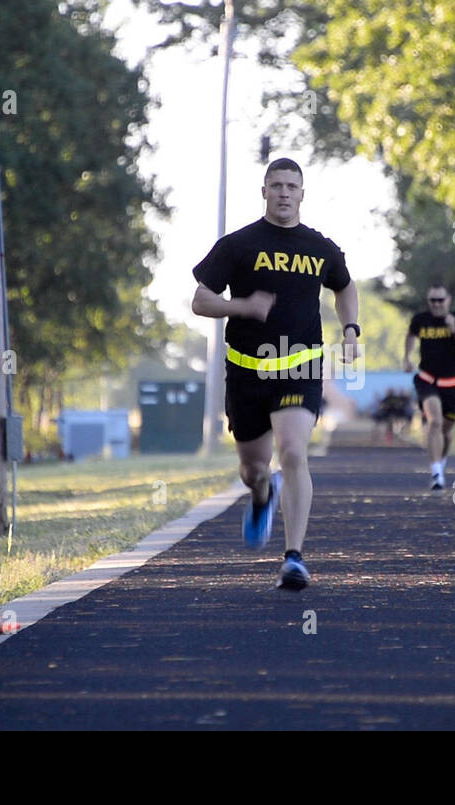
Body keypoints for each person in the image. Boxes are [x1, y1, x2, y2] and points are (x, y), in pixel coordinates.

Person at [191, 157, 359, 591]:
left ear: (303, 194)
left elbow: (344, 285)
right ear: (264, 192)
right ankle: (261, 494)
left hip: (300, 366)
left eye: (292, 186)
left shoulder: (320, 247)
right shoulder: (238, 244)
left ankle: (294, 558)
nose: (284, 192)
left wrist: (351, 329)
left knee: (293, 452)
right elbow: (201, 300)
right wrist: (242, 307)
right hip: (246, 372)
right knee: (254, 469)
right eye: (276, 185)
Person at [403, 284, 455, 489]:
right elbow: (410, 336)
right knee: (434, 422)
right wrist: (407, 357)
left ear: (449, 300)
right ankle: (436, 472)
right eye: (432, 300)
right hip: (427, 380)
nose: (436, 304)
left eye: (440, 300)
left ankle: (441, 462)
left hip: (453, 384)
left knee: (446, 431)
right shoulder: (421, 320)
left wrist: (454, 330)